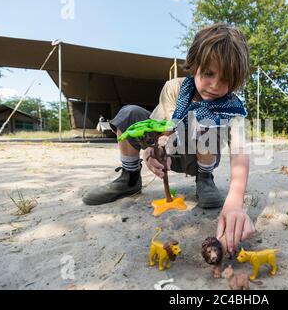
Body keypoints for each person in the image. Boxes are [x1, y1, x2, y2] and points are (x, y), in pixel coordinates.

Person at [82, 23, 255, 254]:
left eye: (225, 80)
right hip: (172, 152)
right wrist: (150, 152)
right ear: (195, 65)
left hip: (200, 158)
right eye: (208, 73)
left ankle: (204, 180)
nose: (214, 85)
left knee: (206, 120)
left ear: (235, 81)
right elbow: (164, 129)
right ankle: (129, 177)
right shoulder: (175, 88)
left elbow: (240, 151)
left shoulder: (233, 108)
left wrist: (235, 200)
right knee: (130, 114)